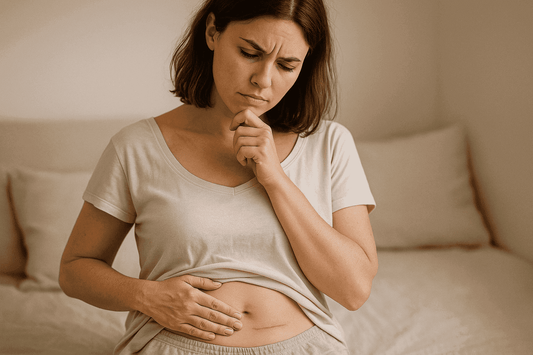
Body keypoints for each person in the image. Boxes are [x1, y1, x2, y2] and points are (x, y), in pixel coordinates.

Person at [59, 0, 378, 354]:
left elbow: (354, 290)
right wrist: (146, 296)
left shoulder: (330, 144)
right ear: (212, 32)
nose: (263, 80)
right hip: (172, 345)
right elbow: (75, 269)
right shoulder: (136, 147)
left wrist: (275, 178)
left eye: (287, 65)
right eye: (249, 53)